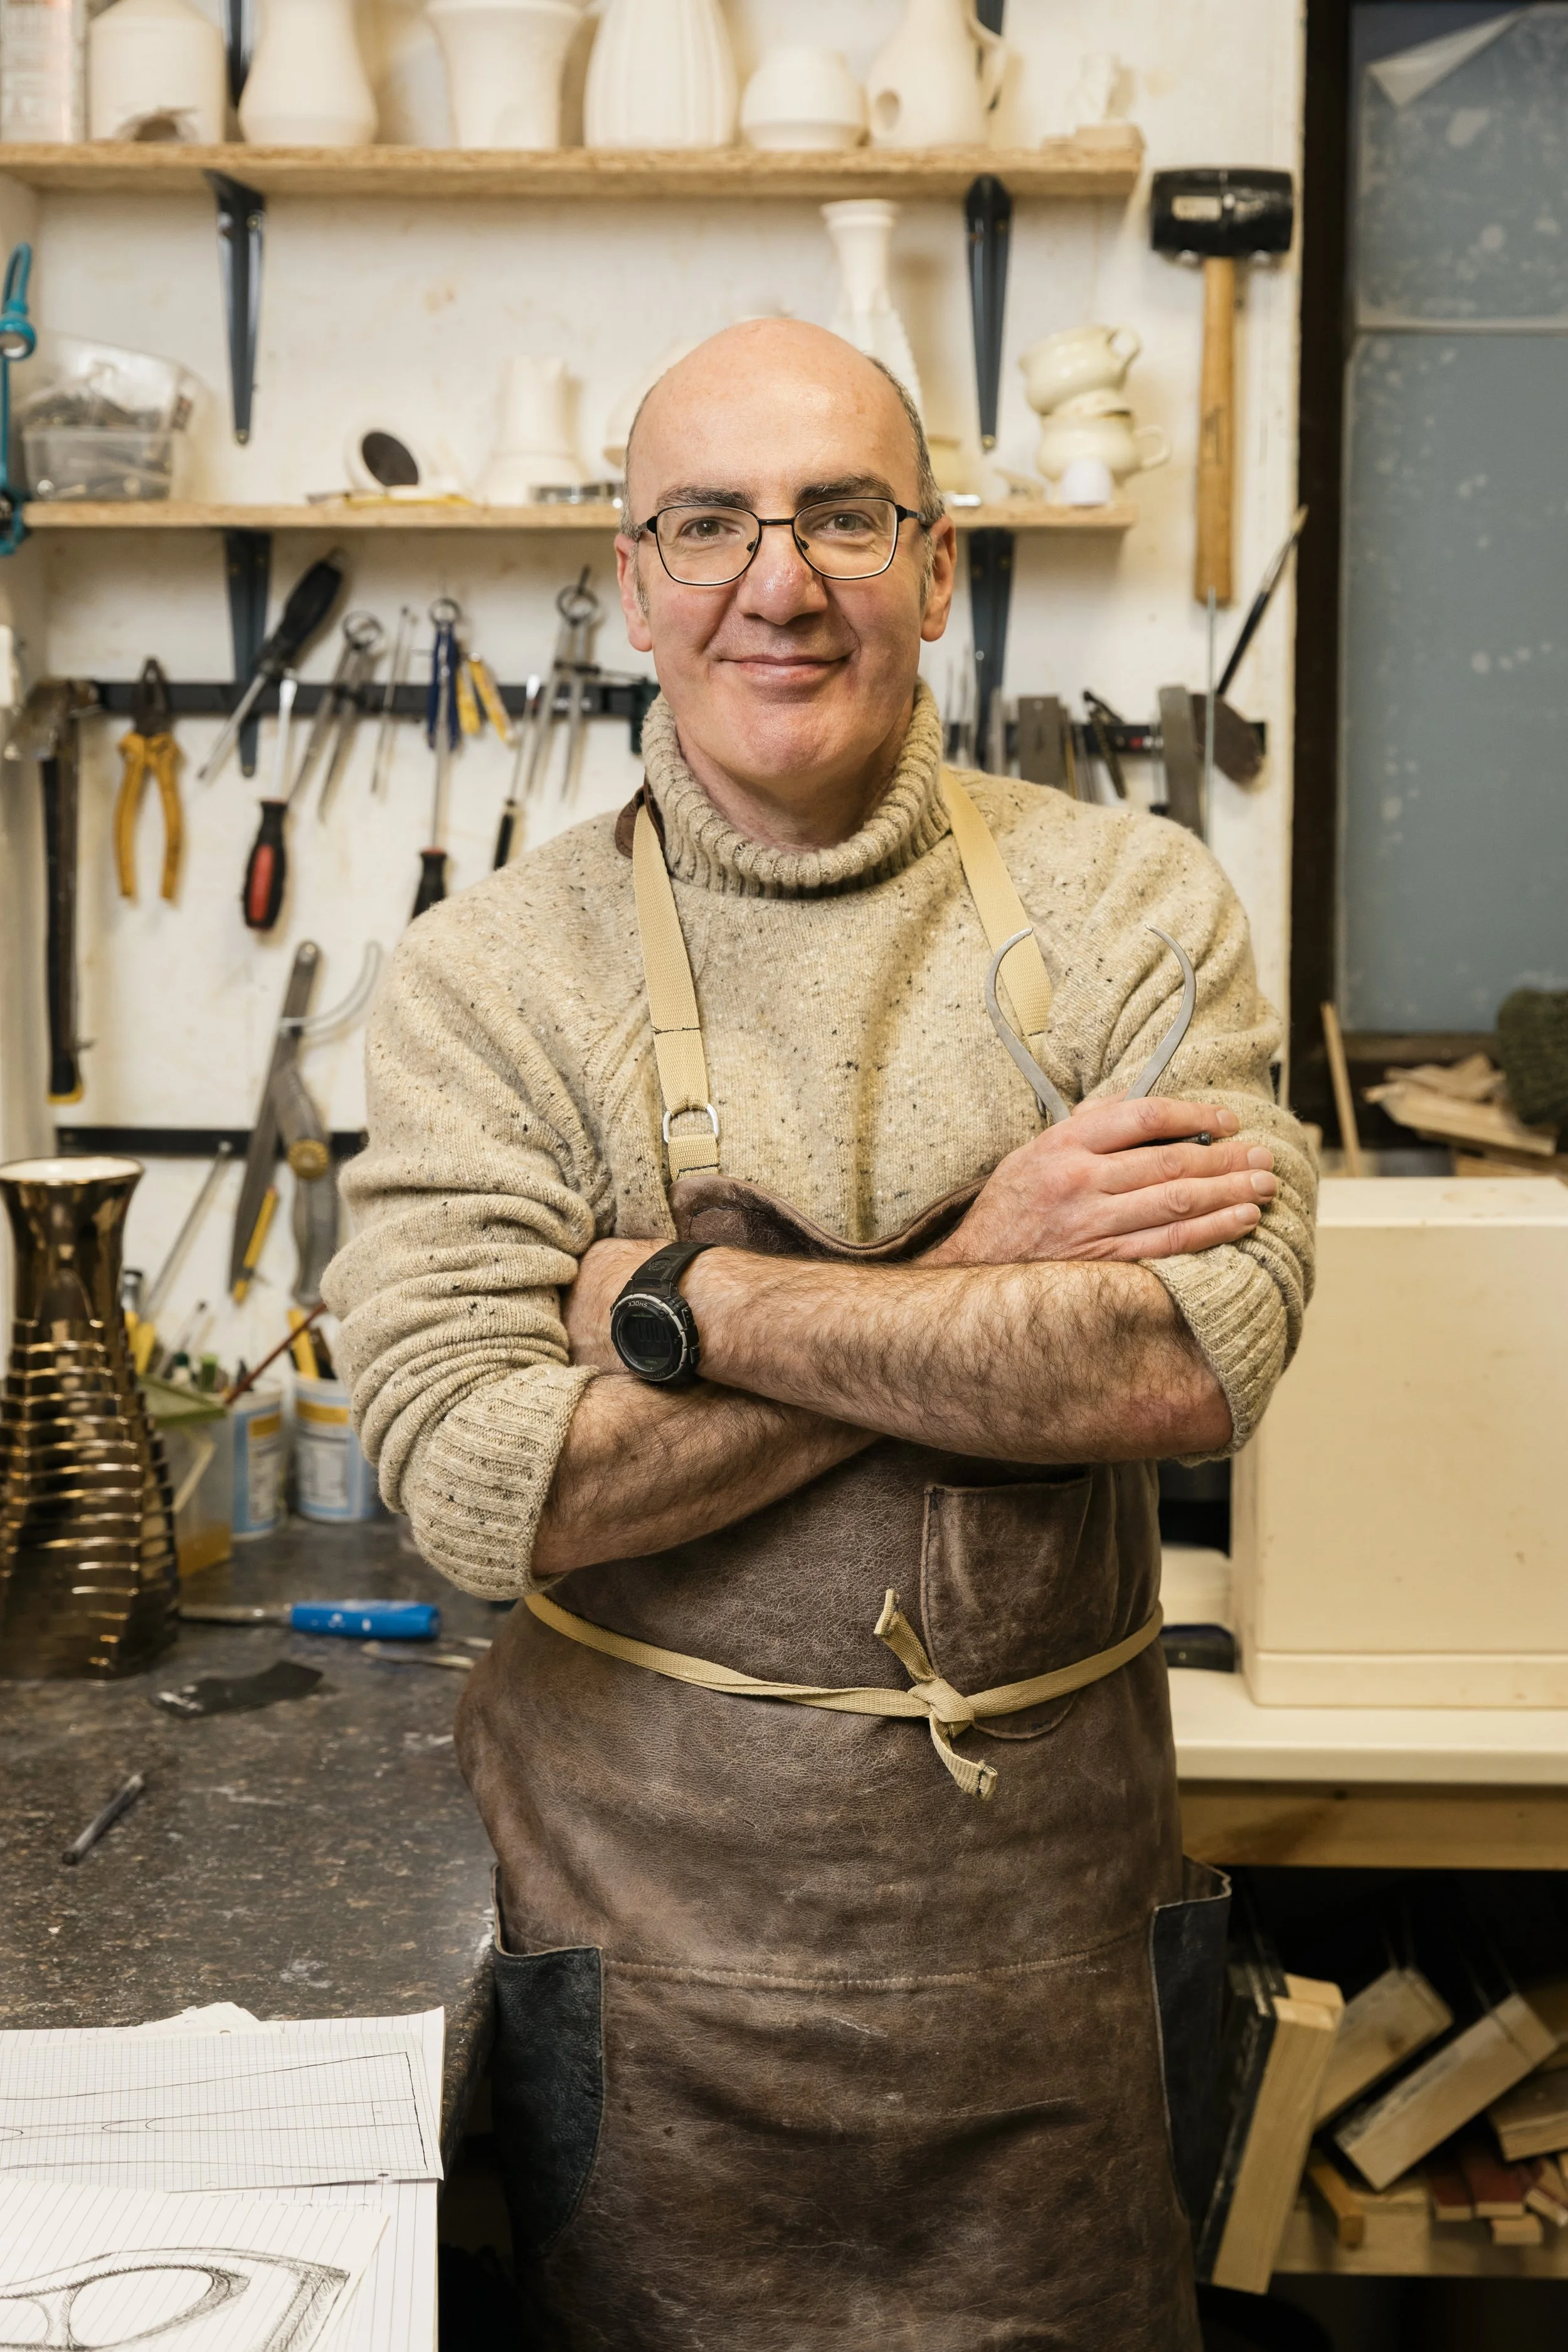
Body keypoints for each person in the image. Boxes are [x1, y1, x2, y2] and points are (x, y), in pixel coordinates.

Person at [325, 318, 1316, 2351]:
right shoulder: (488, 979)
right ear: (632, 583)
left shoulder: (1134, 909)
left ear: (937, 568)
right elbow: (478, 1480)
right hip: (652, 1978)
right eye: (709, 522)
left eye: (842, 516)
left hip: (1045, 1979)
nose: (777, 581)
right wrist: (984, 1257)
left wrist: (679, 1305)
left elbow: (1186, 1358)